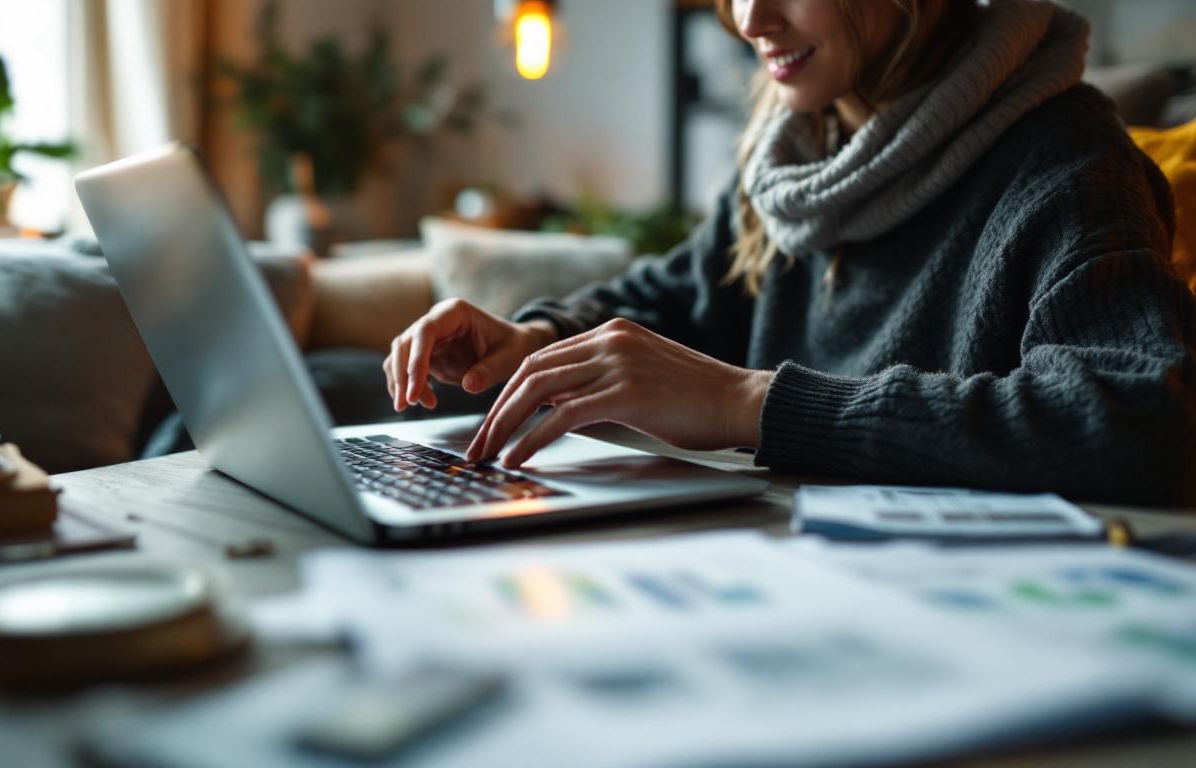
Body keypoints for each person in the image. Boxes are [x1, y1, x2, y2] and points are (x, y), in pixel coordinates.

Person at [383, 0, 1196, 505]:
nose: (748, 17)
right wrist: (538, 344)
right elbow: (678, 297)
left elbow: (1140, 420)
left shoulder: (1067, 161)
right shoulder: (795, 154)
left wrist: (756, 404)